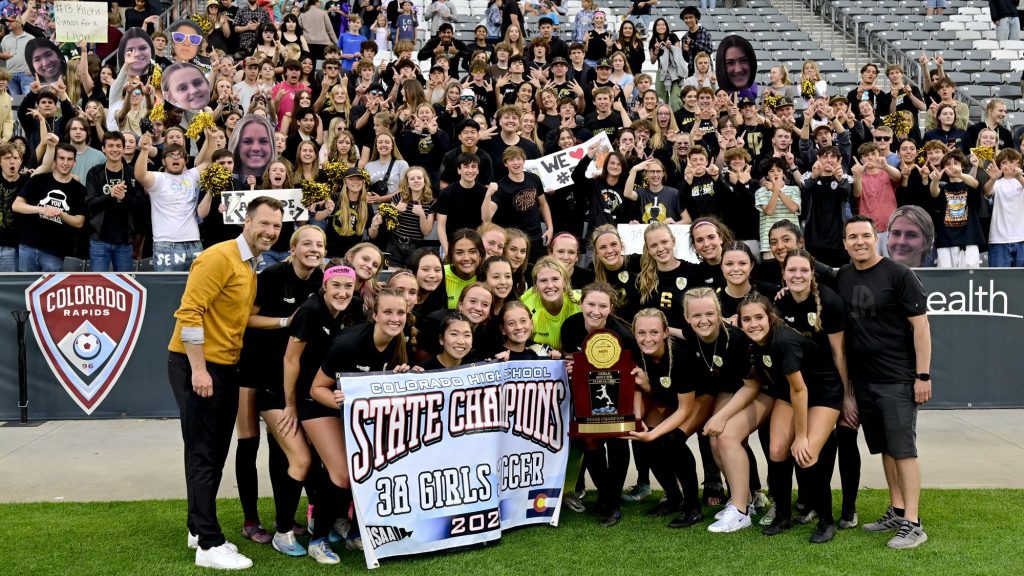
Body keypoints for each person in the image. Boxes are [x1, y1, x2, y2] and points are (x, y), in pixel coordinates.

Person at [167, 196, 284, 570]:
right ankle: (209, 544)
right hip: (198, 365)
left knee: (212, 452)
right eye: (264, 223)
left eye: (277, 227)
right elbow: (189, 313)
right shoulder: (218, 257)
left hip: (224, 366)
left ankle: (197, 527)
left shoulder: (251, 264)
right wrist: (199, 370)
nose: (270, 231)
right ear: (246, 221)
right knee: (205, 453)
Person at [836, 215, 932, 550]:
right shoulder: (843, 276)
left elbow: (921, 328)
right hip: (865, 381)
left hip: (898, 378)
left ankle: (914, 523)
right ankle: (897, 509)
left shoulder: (899, 274)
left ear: (875, 238)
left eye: (865, 235)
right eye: (852, 237)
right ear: (845, 242)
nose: (859, 241)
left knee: (904, 450)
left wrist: (922, 375)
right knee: (886, 449)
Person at [236, 226, 326, 551]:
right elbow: (246, 318)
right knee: (249, 442)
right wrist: (286, 322)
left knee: (281, 447)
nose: (313, 249)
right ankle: (250, 520)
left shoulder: (323, 280)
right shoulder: (274, 274)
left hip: (289, 376)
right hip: (256, 368)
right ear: (293, 247)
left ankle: (282, 520)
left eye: (319, 244)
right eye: (307, 244)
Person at [307, 287, 410, 563]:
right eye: (387, 312)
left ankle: (354, 534)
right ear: (374, 314)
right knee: (341, 474)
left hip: (356, 413)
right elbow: (317, 388)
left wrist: (403, 374)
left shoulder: (398, 342)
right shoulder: (349, 344)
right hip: (321, 407)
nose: (394, 318)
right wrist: (345, 403)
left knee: (374, 467)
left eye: (400, 312)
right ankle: (318, 539)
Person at [738, 292, 841, 543]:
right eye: (747, 319)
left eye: (759, 317)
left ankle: (826, 521)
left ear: (770, 317)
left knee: (805, 455)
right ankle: (782, 516)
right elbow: (787, 389)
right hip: (790, 393)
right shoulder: (751, 343)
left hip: (822, 393)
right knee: (776, 450)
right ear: (740, 323)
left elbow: (801, 389)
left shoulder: (784, 341)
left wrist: (802, 435)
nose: (754, 324)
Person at [627, 308, 706, 529]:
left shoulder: (680, 355)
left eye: (654, 332)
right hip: (664, 396)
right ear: (634, 332)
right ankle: (673, 498)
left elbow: (684, 409)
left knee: (671, 440)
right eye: (641, 333)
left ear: (664, 333)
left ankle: (693, 507)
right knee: (645, 443)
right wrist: (638, 420)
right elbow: (639, 388)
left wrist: (654, 432)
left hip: (699, 397)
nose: (647, 338)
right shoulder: (635, 350)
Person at [12, 141, 86, 272]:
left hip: (55, 251)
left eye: (69, 159)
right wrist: (41, 209)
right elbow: (17, 205)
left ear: (75, 162)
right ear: (54, 160)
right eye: (61, 158)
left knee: (49, 291)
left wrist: (61, 214)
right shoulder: (38, 180)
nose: (65, 163)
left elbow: (79, 222)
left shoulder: (79, 189)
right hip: (28, 245)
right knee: (24, 290)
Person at [984, 148, 1024, 267]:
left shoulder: (1021, 180)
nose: (1008, 165)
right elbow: (986, 192)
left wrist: (1018, 176)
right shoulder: (997, 183)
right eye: (1004, 162)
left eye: (1011, 161)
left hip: (1021, 238)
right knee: (999, 282)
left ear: (1019, 163)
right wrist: (993, 179)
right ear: (999, 165)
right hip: (998, 240)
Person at [230, 115, 277, 185]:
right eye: (247, 141)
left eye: (263, 141)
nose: (256, 148)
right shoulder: (226, 179)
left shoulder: (281, 178)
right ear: (236, 144)